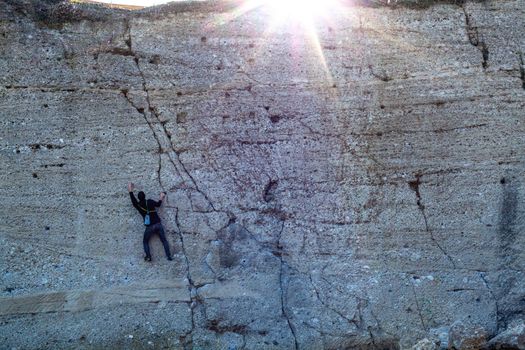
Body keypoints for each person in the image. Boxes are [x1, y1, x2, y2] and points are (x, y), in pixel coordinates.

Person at [128, 182, 172, 262]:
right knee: (164, 240)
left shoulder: (138, 205)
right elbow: (158, 204)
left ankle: (148, 257)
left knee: (145, 242)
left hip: (150, 227)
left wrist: (130, 189)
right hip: (158, 224)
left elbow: (133, 200)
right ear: (145, 196)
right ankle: (169, 256)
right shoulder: (150, 201)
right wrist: (161, 196)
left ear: (139, 198)